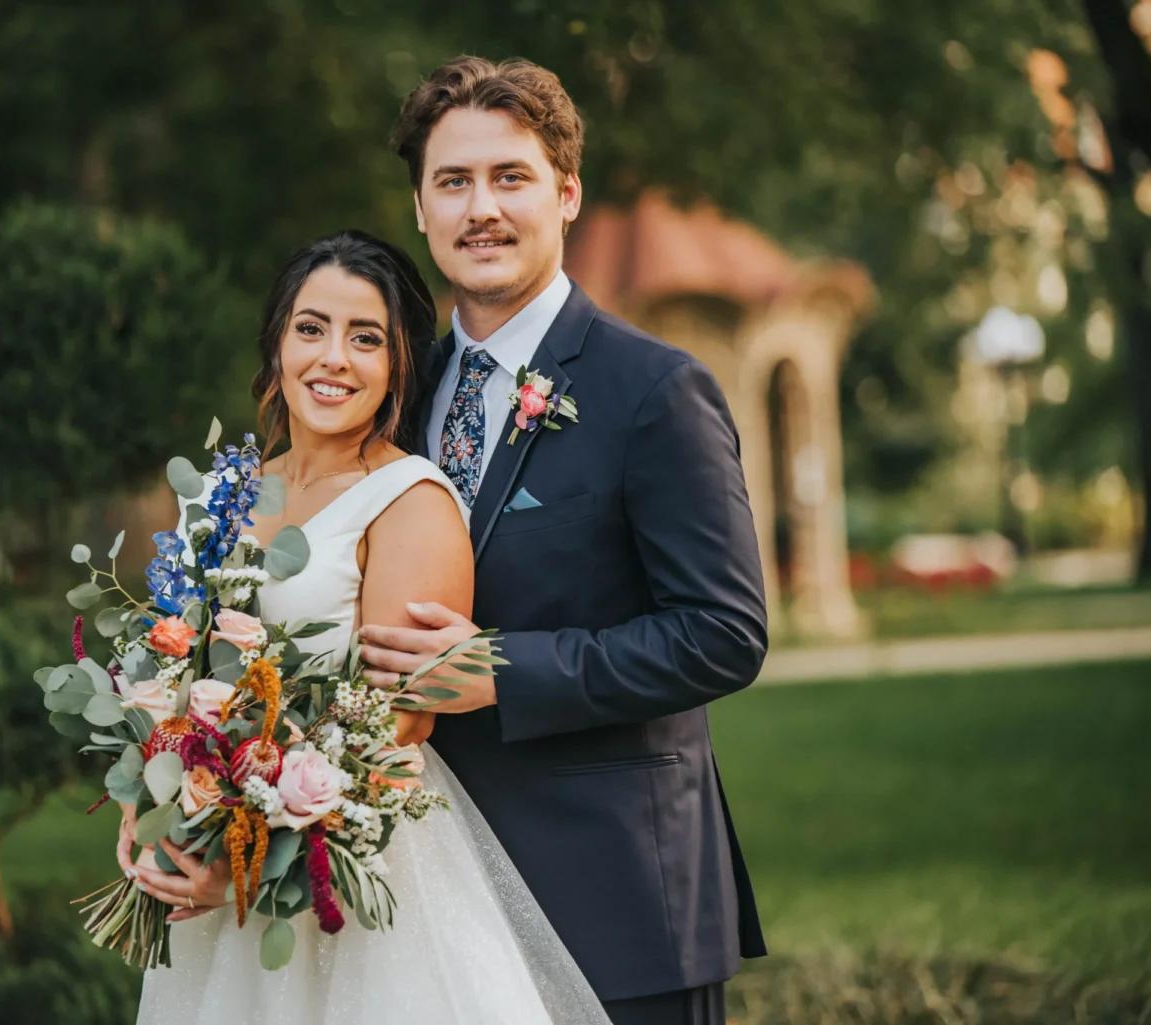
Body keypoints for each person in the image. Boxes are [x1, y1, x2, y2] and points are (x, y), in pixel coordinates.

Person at [355, 56, 770, 1025]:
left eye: (510, 177)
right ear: (420, 208)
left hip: (614, 895)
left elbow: (722, 631)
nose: (480, 209)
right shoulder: (394, 393)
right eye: (453, 182)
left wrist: (501, 667)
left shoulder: (654, 391)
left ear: (567, 192)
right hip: (424, 900)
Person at [126, 230, 611, 1024]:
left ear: (396, 366)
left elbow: (398, 720)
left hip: (347, 872)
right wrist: (147, 807)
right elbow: (169, 671)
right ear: (278, 341)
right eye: (311, 328)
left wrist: (249, 863)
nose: (333, 359)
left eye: (366, 338)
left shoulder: (411, 500)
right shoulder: (220, 492)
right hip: (212, 869)